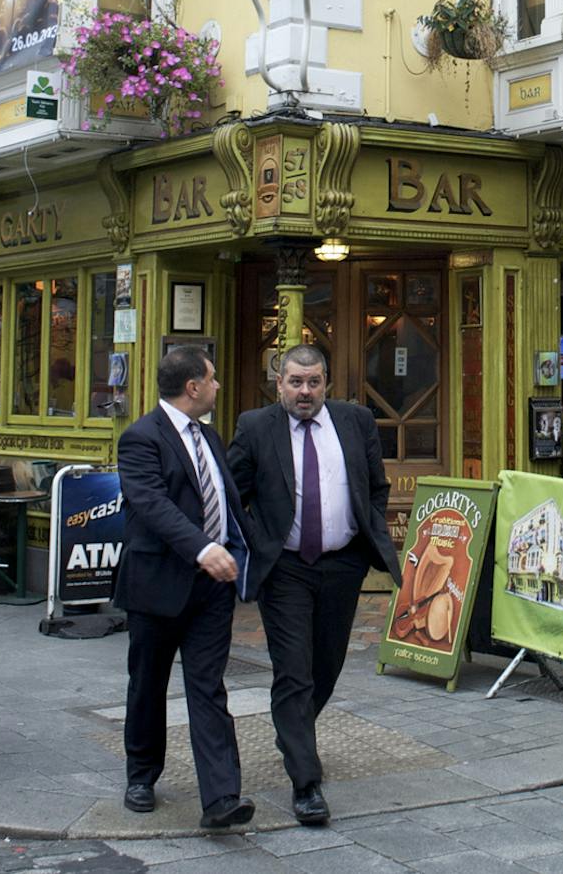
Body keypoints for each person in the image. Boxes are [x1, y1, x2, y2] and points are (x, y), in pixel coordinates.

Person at [228, 344, 399, 829]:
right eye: (295, 382)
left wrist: (371, 532)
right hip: (285, 570)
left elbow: (376, 485)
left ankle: (293, 729)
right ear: (278, 383)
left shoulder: (356, 421)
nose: (305, 392)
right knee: (294, 673)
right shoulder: (256, 427)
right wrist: (254, 542)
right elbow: (230, 489)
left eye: (314, 382)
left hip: (343, 565)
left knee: (327, 666)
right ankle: (306, 784)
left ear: (327, 382)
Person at [114, 346, 258, 830]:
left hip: (211, 588)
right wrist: (201, 547)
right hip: (157, 585)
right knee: (148, 683)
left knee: (208, 687)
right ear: (192, 386)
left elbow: (227, 498)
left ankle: (220, 797)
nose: (218, 386)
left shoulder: (211, 437)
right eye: (213, 379)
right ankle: (141, 774)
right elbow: (151, 504)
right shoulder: (141, 438)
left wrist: (243, 549)